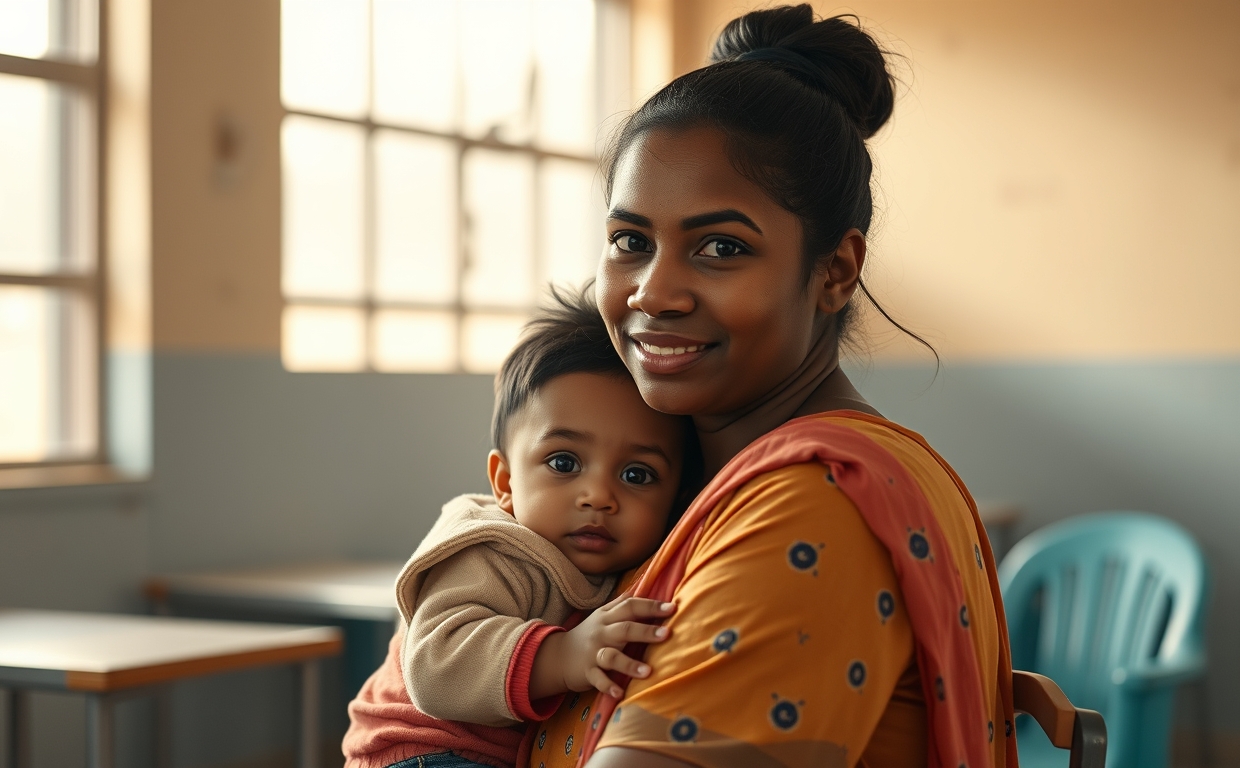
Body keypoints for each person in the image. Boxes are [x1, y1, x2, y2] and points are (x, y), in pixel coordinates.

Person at [525, 5, 1017, 768]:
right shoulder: (682, 481)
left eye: (721, 247)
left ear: (834, 272)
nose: (654, 291)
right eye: (630, 241)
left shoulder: (814, 505)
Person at [342, 289, 702, 768]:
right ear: (505, 482)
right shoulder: (491, 549)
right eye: (563, 461)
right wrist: (562, 655)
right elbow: (433, 665)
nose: (598, 495)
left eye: (637, 474)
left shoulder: (635, 561)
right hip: (423, 753)